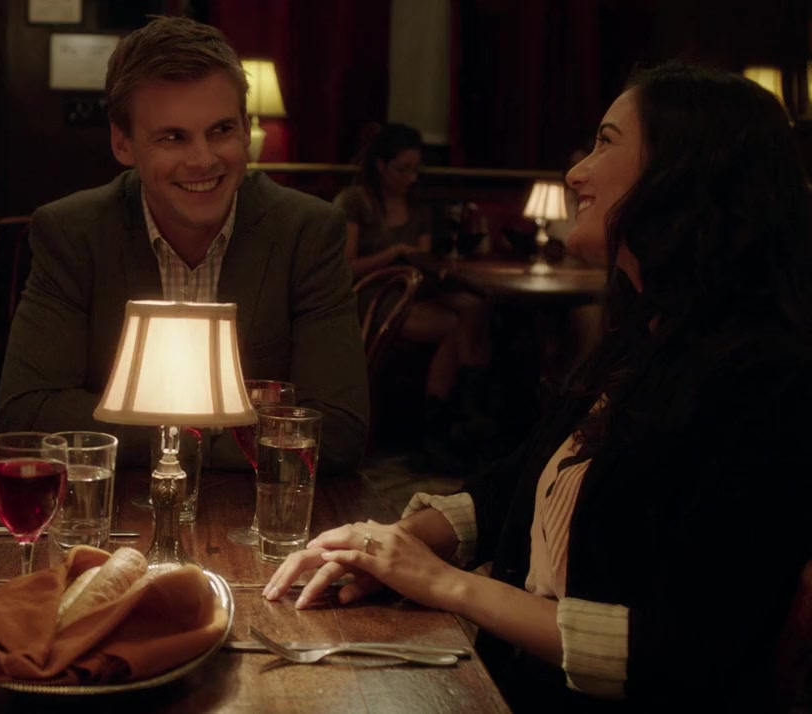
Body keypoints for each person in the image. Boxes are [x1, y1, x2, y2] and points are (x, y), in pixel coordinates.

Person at [264, 63, 812, 711]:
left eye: (605, 143)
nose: (576, 173)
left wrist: (442, 583)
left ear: (684, 173)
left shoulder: (768, 383)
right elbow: (513, 487)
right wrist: (390, 544)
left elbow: (680, 653)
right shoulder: (644, 339)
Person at [0, 16, 369, 474]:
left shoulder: (307, 232)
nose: (203, 160)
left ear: (245, 128)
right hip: (120, 506)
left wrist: (152, 432)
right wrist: (215, 435)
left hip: (254, 509)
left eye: (221, 130)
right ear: (123, 143)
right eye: (173, 137)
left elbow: (339, 431)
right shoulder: (73, 232)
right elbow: (28, 413)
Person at [334, 123, 490, 465]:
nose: (411, 178)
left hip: (410, 292)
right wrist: (393, 254)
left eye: (416, 169)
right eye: (403, 169)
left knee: (475, 307)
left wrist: (439, 266)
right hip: (369, 296)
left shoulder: (417, 208)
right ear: (381, 166)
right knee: (453, 327)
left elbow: (422, 263)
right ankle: (443, 425)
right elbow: (345, 268)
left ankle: (463, 412)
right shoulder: (355, 201)